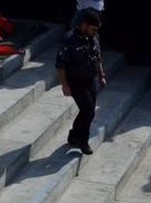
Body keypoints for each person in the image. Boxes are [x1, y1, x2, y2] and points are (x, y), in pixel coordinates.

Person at [56, 9, 107, 155]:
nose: (94, 32)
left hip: (90, 79)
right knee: (88, 110)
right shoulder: (69, 40)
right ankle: (83, 141)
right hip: (75, 80)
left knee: (88, 111)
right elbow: (60, 65)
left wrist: (101, 74)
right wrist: (64, 85)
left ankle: (74, 135)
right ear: (84, 25)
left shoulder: (94, 37)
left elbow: (97, 57)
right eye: (92, 29)